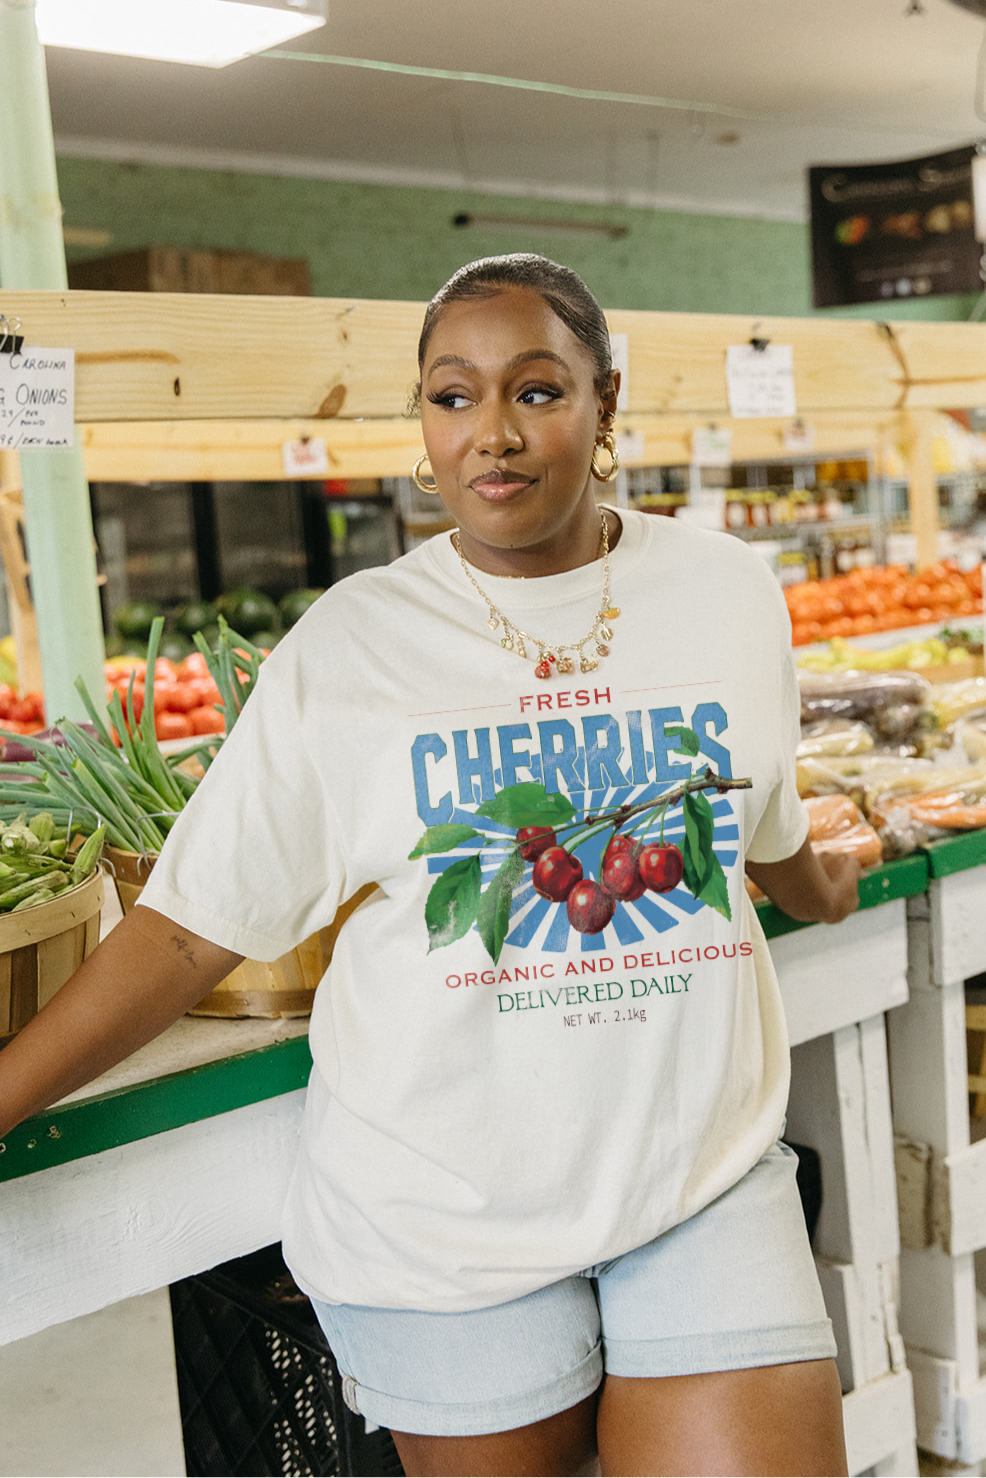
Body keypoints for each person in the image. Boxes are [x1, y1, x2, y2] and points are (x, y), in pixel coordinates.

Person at [0, 254, 860, 1478]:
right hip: (444, 1213)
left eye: (536, 391)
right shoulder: (350, 646)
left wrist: (826, 885)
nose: (490, 433)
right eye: (453, 397)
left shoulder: (724, 590)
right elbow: (189, 928)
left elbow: (758, 818)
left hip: (698, 1175)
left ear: (604, 404)